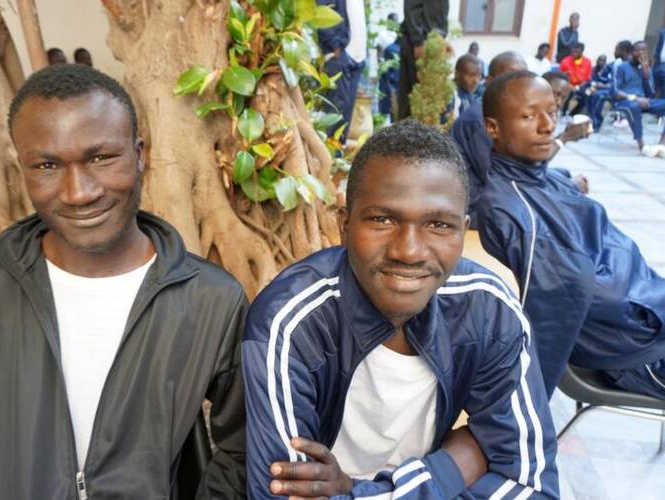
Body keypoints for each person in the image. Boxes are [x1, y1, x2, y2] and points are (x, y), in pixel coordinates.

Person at [0, 64, 247, 498]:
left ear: (140, 154)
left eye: (100, 157)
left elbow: (243, 450)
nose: (78, 192)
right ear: (23, 170)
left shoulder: (210, 300)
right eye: (48, 165)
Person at [242, 119, 558, 499]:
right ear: (344, 226)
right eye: (382, 219)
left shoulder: (488, 310)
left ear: (463, 230)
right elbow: (279, 494)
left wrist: (360, 492)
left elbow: (530, 486)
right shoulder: (291, 323)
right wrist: (452, 467)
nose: (408, 251)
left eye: (438, 224)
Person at [476, 70, 665, 398]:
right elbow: (577, 302)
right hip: (639, 350)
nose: (548, 125)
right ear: (493, 128)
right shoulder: (513, 213)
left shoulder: (542, 178)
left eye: (552, 111)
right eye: (528, 116)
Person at [449, 51, 588, 222]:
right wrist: (569, 184)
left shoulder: (502, 112)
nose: (520, 85)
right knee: (566, 205)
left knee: (563, 175)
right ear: (491, 81)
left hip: (496, 192)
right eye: (511, 78)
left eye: (523, 77)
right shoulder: (482, 120)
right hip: (476, 207)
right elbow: (505, 181)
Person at [318, 0, 367, 143]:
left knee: (346, 112)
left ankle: (338, 150)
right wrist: (335, 46)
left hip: (357, 56)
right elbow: (323, 12)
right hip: (340, 55)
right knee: (336, 109)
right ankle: (331, 155)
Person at [397, 0, 448, 120]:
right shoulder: (418, 41)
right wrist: (417, 40)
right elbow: (412, 6)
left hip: (433, 40)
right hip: (420, 41)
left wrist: (441, 39)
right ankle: (406, 137)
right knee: (415, 100)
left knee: (430, 101)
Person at [613, 40, 665, 155]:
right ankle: (642, 145)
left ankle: (662, 144)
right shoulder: (622, 67)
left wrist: (646, 74)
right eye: (638, 50)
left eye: (644, 50)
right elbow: (616, 92)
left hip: (643, 102)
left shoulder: (646, 68)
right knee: (634, 106)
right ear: (632, 52)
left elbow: (651, 94)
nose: (641, 53)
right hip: (625, 101)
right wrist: (635, 98)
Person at [559, 43, 592, 115]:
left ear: (582, 51)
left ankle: (572, 114)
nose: (574, 53)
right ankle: (563, 113)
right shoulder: (565, 61)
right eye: (573, 51)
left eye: (577, 52)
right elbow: (561, 77)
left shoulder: (587, 62)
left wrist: (580, 86)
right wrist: (570, 86)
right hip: (568, 85)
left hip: (581, 86)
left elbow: (587, 78)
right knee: (568, 93)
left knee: (588, 95)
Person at [652, 26, 665, 97]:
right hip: (658, 65)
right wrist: (652, 67)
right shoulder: (663, 32)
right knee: (653, 89)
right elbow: (657, 50)